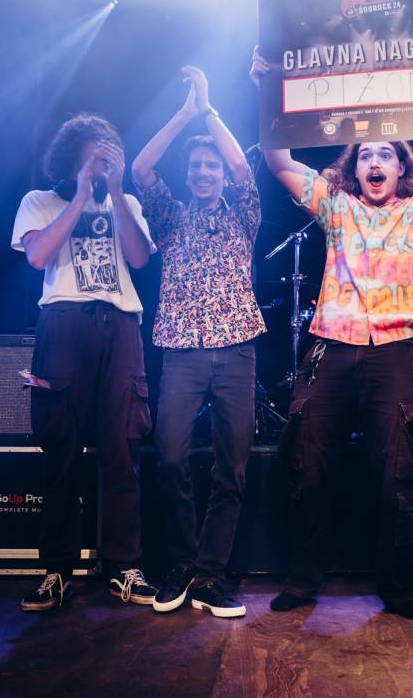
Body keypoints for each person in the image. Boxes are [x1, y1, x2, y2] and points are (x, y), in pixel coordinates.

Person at [254, 23, 413, 620]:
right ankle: (302, 580)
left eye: (385, 154)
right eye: (365, 153)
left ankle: (399, 588)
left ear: (401, 168)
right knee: (308, 464)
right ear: (354, 166)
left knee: (401, 471)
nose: (374, 160)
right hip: (333, 346)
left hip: (397, 352)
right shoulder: (335, 206)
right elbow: (277, 157)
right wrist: (269, 88)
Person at [131, 66, 264, 619]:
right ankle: (183, 565)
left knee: (232, 467)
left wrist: (209, 112)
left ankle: (211, 574)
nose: (205, 172)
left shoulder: (244, 215)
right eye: (196, 166)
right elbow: (140, 168)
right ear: (187, 175)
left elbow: (243, 167)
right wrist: (184, 114)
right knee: (170, 458)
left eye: (211, 165)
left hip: (236, 349)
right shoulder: (169, 217)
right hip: (181, 352)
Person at [11, 114, 159, 612]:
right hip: (64, 323)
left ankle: (123, 566)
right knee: (61, 450)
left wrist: (114, 191)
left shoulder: (127, 202)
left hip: (120, 324)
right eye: (94, 148)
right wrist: (80, 194)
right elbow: (37, 257)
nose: (103, 155)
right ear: (72, 153)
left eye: (110, 148)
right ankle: (56, 570)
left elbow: (139, 259)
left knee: (123, 449)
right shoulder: (39, 201)